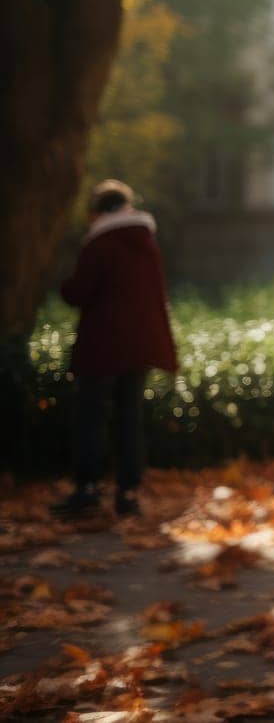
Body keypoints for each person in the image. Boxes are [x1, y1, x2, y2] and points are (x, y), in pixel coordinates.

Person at [51, 180, 178, 521]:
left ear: (98, 211)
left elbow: (79, 292)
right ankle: (128, 493)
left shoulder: (100, 244)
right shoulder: (147, 243)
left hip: (104, 343)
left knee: (92, 415)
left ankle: (87, 489)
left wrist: (62, 285)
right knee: (129, 417)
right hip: (141, 344)